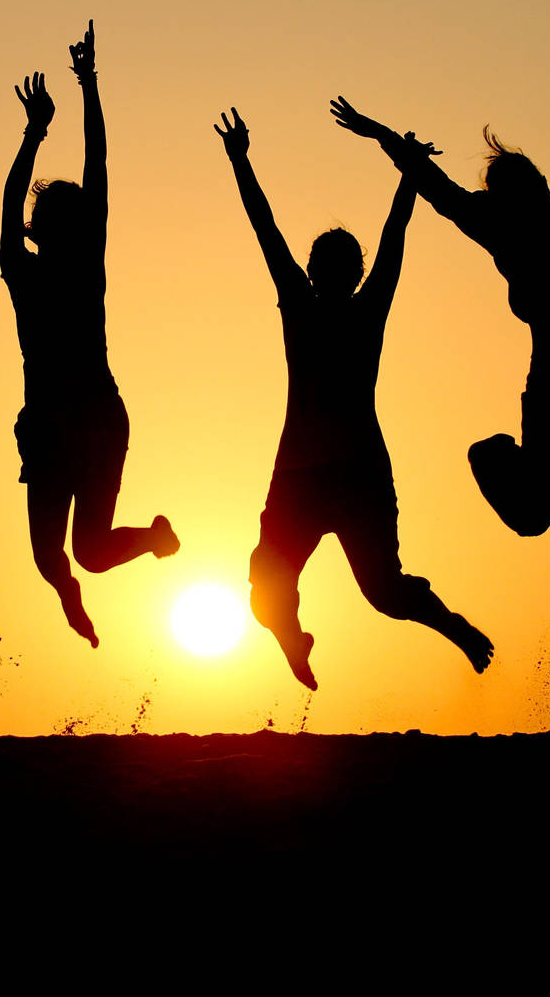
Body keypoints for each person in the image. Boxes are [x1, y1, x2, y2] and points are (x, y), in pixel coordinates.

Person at [218, 107, 492, 691]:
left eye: (341, 264)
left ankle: (452, 626)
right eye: (322, 262)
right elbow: (265, 231)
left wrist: (409, 178)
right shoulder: (299, 301)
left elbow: (394, 241)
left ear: (352, 271)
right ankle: (294, 637)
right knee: (266, 588)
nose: (327, 270)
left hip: (356, 471)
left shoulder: (367, 309)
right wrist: (241, 162)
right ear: (314, 269)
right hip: (299, 472)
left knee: (384, 592)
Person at [331, 44, 550, 537]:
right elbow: (433, 184)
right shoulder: (532, 229)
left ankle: (540, 483)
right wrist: (380, 135)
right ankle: (522, 473)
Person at [1, 23, 179, 649]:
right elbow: (7, 206)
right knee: (51, 560)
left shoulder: (85, 264)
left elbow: (98, 164)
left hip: (99, 419)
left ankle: (155, 538)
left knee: (95, 552)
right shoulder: (19, 271)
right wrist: (32, 133)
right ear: (37, 227)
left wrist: (90, 85)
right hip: (49, 427)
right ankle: (67, 594)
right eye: (46, 218)